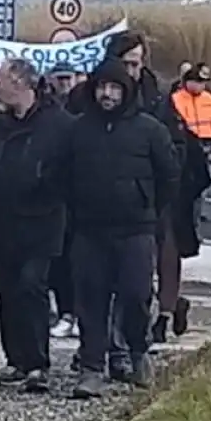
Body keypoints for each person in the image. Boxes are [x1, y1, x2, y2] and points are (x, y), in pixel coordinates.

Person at [66, 60, 178, 397]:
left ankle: (137, 352)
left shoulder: (150, 130)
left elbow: (170, 176)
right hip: (89, 229)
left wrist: (148, 207)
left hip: (136, 229)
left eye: (114, 88)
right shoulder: (78, 130)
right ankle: (91, 368)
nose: (107, 94)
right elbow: (61, 173)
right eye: (101, 87)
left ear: (126, 91)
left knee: (135, 294)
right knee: (90, 300)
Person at [0, 57, 71, 394]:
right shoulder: (0, 125)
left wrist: (41, 181)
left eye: (0, 79)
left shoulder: (56, 123)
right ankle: (16, 360)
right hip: (4, 218)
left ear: (19, 82)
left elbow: (65, 167)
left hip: (42, 219)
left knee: (32, 286)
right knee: (10, 290)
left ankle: (38, 363)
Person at [171, 64, 211, 144]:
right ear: (188, 81)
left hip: (209, 142)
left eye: (203, 82)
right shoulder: (175, 99)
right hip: (186, 143)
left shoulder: (210, 99)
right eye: (198, 81)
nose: (202, 85)